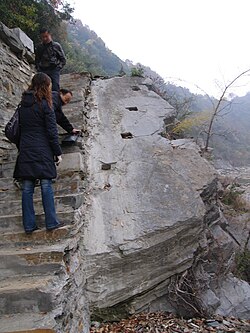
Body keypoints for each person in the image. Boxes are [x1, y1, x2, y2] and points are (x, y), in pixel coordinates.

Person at [14, 73, 64, 234]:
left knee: (27, 188)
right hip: (42, 150)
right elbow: (52, 131)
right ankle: (51, 222)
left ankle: (29, 225)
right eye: (49, 85)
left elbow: (19, 130)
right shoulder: (45, 105)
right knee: (45, 184)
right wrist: (57, 152)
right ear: (45, 85)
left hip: (26, 150)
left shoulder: (22, 105)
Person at [35, 28, 66, 92]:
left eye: (46, 36)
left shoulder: (56, 46)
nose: (45, 39)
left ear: (50, 35)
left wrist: (58, 67)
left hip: (54, 69)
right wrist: (38, 68)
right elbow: (37, 59)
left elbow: (63, 59)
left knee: (55, 87)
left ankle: (55, 101)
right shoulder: (39, 47)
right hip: (43, 70)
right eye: (43, 37)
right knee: (41, 88)